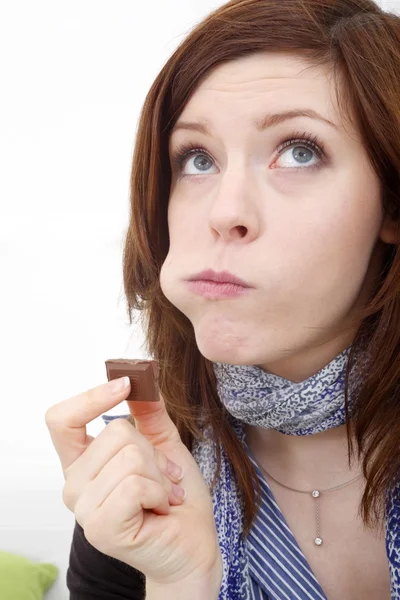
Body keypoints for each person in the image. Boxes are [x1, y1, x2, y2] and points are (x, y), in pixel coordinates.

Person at [44, 0, 400, 598]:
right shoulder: (141, 491)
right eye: (198, 159)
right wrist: (179, 581)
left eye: (300, 151)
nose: (225, 210)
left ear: (391, 202)